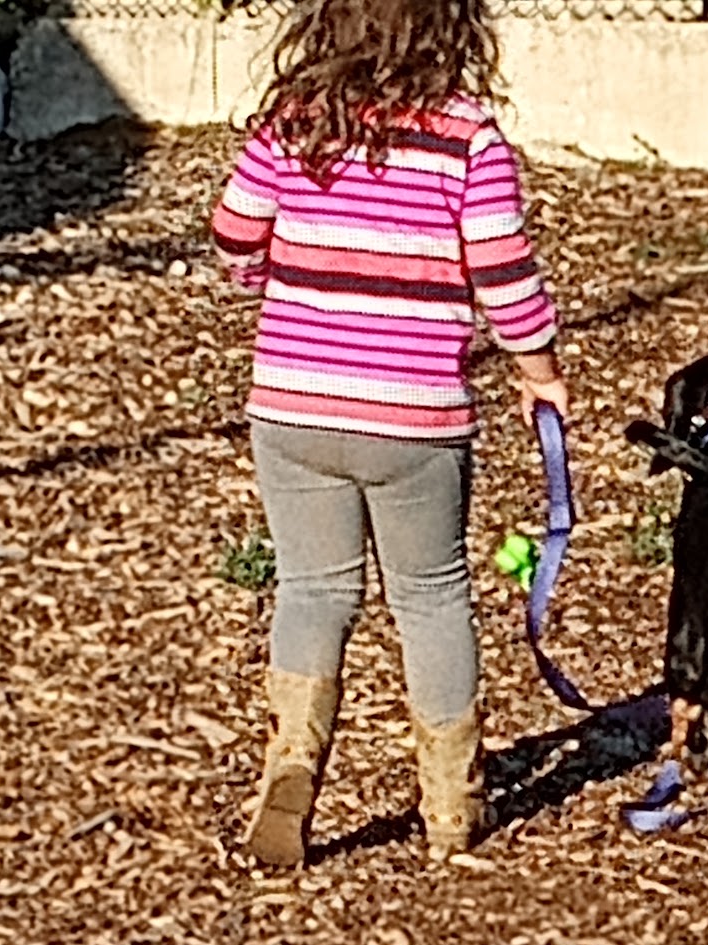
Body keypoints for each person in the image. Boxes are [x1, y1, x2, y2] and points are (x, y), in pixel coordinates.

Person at [209, 0, 568, 867]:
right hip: (414, 416)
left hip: (292, 405)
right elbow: (503, 273)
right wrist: (538, 373)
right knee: (431, 596)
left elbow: (232, 233)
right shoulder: (467, 136)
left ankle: (290, 769)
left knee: (311, 590)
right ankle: (450, 807)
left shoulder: (293, 118)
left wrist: (262, 277)